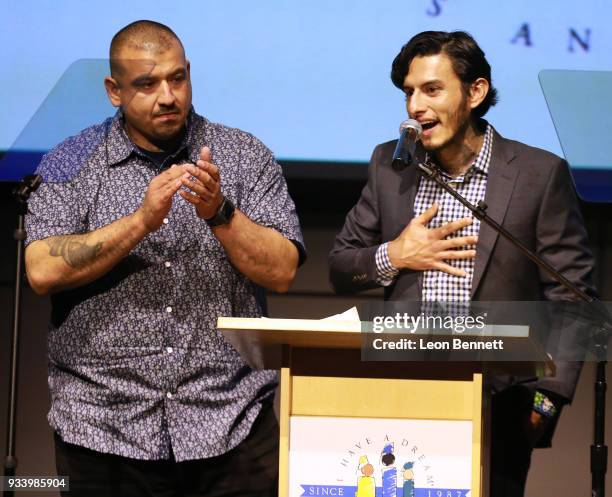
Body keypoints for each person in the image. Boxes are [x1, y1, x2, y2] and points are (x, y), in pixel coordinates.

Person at [24, 20, 304, 497]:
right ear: (114, 91)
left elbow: (282, 271)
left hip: (230, 421)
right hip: (103, 427)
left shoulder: (243, 156)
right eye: (147, 85)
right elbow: (42, 269)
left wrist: (220, 212)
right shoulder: (69, 161)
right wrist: (139, 222)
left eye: (177, 79)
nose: (168, 96)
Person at [329, 30, 596, 497]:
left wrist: (547, 403)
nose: (415, 106)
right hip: (402, 393)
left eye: (432, 90)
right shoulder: (390, 168)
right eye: (409, 92)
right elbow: (340, 267)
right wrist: (395, 255)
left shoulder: (538, 175)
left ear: (475, 92)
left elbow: (573, 297)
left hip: (503, 405)